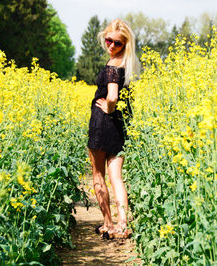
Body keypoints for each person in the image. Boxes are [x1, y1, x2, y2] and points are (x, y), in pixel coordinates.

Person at [87, 19, 139, 239]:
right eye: (109, 40)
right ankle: (123, 224)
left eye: (117, 43)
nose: (111, 45)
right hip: (119, 128)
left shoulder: (111, 68)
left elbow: (113, 96)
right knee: (116, 177)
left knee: (98, 174)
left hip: (102, 125)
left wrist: (108, 107)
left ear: (125, 45)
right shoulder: (127, 66)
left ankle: (108, 223)